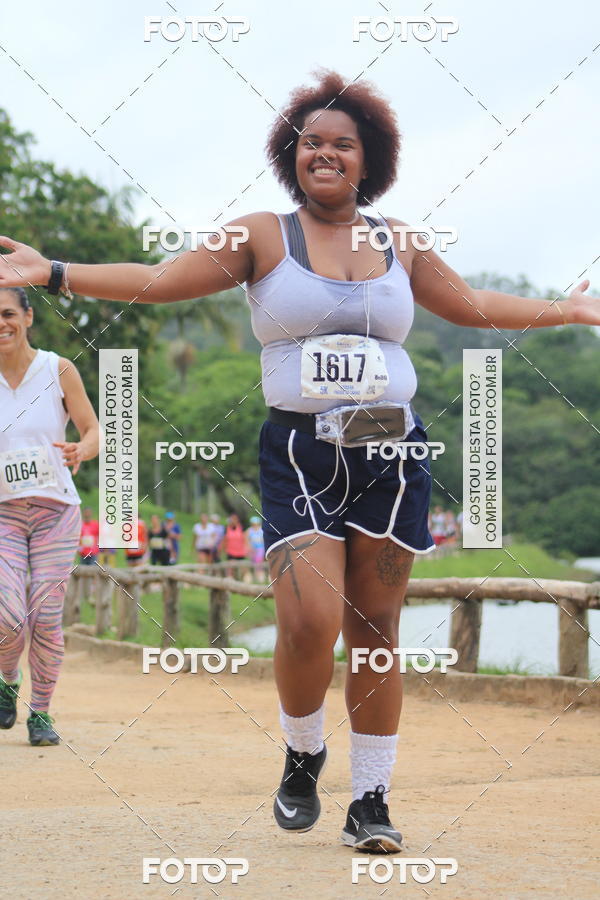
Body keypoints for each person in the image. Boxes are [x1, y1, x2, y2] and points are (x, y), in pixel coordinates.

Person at [2, 70, 599, 849]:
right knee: (310, 621)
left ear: (367, 159)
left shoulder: (400, 242)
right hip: (299, 453)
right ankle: (304, 750)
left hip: (393, 452)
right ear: (293, 154)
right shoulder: (260, 234)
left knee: (378, 624)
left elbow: (475, 305)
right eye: (311, 141)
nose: (326, 153)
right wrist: (52, 272)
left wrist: (571, 310)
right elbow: (159, 280)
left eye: (342, 144)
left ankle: (372, 801)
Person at [0, 287, 99, 746]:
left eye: (8, 314)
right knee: (8, 616)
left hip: (56, 511)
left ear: (28, 317)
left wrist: (83, 448)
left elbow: (94, 429)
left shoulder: (58, 369)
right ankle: (6, 682)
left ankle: (40, 713)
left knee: (44, 613)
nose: (2, 323)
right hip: (2, 514)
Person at [220, 513, 248, 577]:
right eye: (232, 519)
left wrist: (247, 548)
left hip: (241, 553)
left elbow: (245, 539)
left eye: (235, 519)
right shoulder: (226, 528)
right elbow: (224, 540)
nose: (233, 520)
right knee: (231, 570)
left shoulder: (241, 528)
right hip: (231, 553)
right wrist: (222, 550)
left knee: (243, 570)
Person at [246, 515, 266, 583]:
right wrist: (249, 547)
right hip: (252, 550)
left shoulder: (261, 530)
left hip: (260, 549)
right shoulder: (249, 530)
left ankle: (260, 577)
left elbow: (263, 540)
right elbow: (247, 540)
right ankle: (255, 577)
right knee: (253, 563)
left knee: (259, 562)